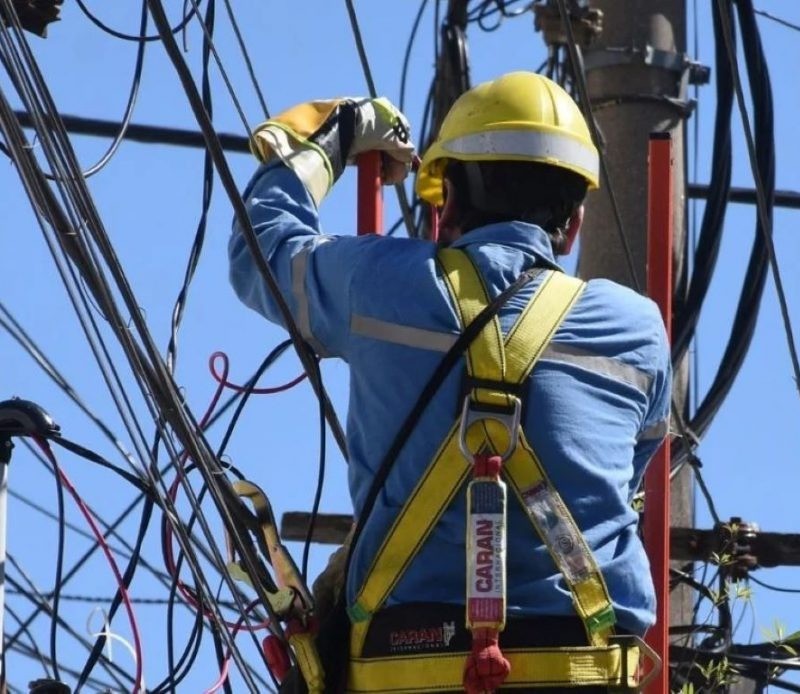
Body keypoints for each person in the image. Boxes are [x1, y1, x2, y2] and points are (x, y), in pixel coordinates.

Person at [229, 72, 671, 693]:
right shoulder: (637, 331)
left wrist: (335, 136)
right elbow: (627, 473)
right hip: (584, 671)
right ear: (573, 225)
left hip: (403, 667)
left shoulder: (379, 284)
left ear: (450, 203)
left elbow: (261, 251)